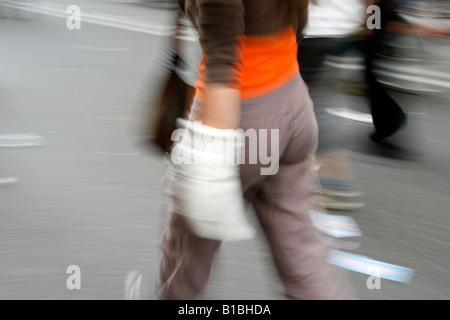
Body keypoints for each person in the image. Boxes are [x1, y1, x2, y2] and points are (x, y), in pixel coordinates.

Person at [127, 0, 354, 300]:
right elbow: (297, 23)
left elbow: (224, 62)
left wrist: (208, 163)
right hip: (292, 98)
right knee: (301, 249)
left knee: (187, 248)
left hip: (241, 112)